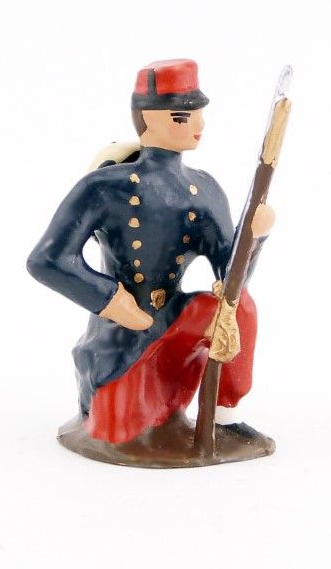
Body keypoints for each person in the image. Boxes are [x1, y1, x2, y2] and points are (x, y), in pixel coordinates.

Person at [27, 59, 274, 446]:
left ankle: (226, 417)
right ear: (148, 119)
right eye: (182, 117)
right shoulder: (105, 186)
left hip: (175, 318)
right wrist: (111, 300)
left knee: (239, 306)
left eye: (199, 114)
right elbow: (46, 261)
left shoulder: (204, 189)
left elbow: (230, 279)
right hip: (124, 335)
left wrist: (253, 238)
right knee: (122, 431)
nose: (199, 125)